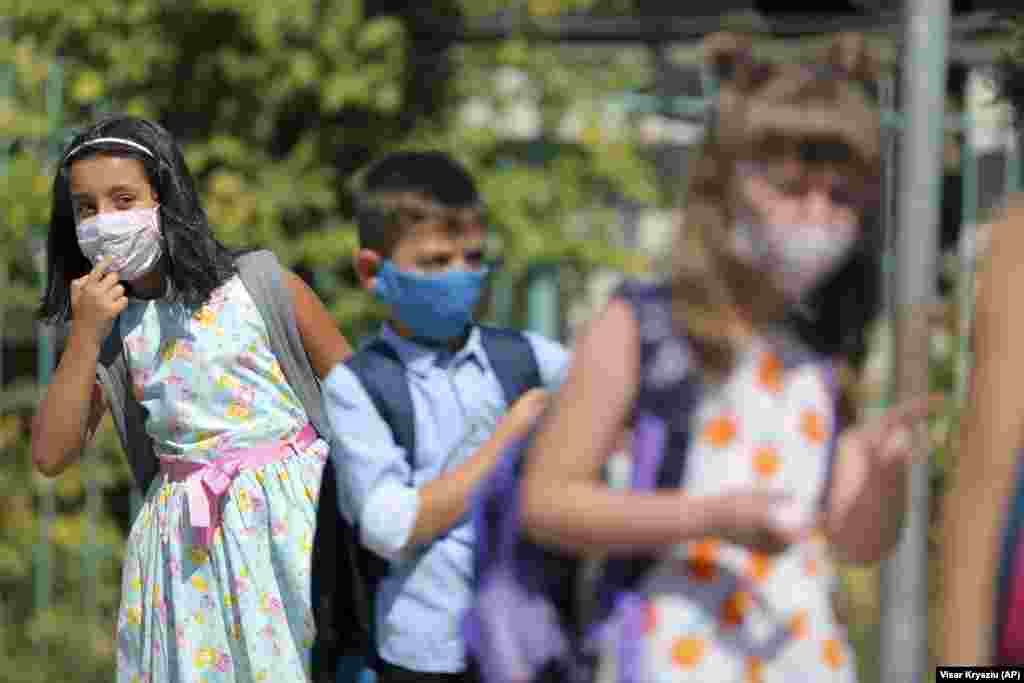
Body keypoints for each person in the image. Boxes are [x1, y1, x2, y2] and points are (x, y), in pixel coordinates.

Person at [520, 33, 936, 682]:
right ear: (726, 186)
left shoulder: (826, 348)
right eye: (793, 190)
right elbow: (547, 501)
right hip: (664, 659)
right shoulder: (642, 326)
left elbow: (855, 541)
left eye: (841, 197)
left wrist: (883, 476)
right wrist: (710, 518)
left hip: (804, 660)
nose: (818, 217)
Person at [32, 114, 352, 681]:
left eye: (123, 198)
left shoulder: (260, 283)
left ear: (164, 196)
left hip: (294, 529)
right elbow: (52, 456)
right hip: (187, 553)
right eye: (86, 207)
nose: (105, 221)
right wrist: (83, 335)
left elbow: (362, 400)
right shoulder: (109, 328)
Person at [321, 151, 569, 683]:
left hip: (527, 640)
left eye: (473, 258)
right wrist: (509, 438)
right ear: (372, 271)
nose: (460, 276)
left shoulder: (528, 358)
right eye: (435, 262)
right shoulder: (358, 386)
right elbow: (390, 526)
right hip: (426, 651)